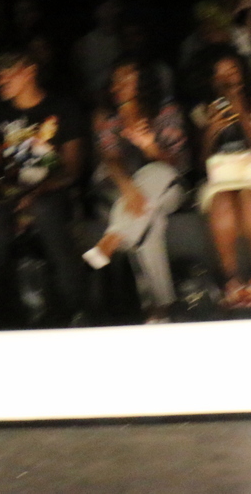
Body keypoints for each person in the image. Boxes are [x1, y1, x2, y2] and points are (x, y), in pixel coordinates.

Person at [0, 50, 89, 325]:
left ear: (29, 71)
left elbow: (71, 168)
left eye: (8, 74)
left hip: (54, 191)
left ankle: (73, 306)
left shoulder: (62, 108)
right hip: (12, 194)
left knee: (46, 211)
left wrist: (37, 192)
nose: (1, 81)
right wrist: (13, 193)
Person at [82, 58, 190, 323]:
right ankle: (162, 306)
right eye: (116, 80)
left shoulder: (165, 111)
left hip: (166, 188)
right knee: (150, 221)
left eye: (127, 78)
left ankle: (113, 237)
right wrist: (128, 188)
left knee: (157, 173)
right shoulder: (106, 117)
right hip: (120, 194)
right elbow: (110, 160)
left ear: (143, 81)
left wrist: (149, 146)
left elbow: (176, 164)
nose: (120, 85)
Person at [194, 47, 251, 311]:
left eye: (232, 71)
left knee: (249, 195)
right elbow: (200, 164)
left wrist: (243, 113)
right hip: (222, 177)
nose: (226, 78)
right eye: (220, 73)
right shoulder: (204, 110)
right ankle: (232, 281)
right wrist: (211, 131)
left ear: (243, 74)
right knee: (221, 201)